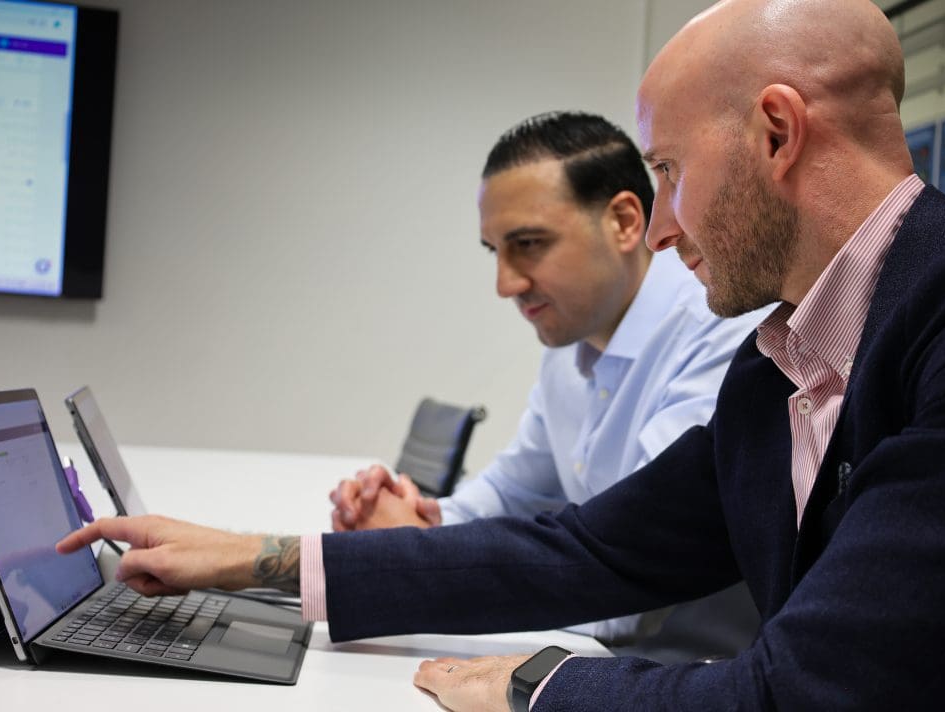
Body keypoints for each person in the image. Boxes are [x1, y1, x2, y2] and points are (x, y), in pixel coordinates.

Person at [57, 0, 945, 709]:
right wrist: (252, 559)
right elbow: (592, 549)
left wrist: (537, 685)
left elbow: (814, 692)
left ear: (776, 133)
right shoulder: (781, 363)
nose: (664, 227)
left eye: (670, 171)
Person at [328, 110, 765, 662]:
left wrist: (407, 559)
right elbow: (511, 492)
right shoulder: (572, 340)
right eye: (496, 251)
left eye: (529, 243)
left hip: (687, 665)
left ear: (625, 222)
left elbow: (629, 588)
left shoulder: (721, 330)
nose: (505, 283)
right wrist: (419, 525)